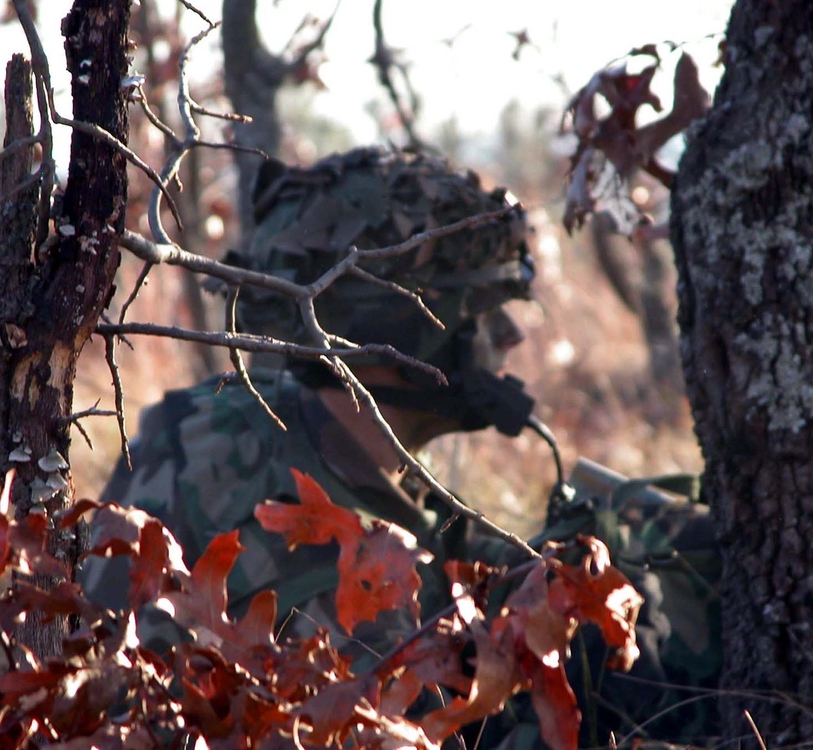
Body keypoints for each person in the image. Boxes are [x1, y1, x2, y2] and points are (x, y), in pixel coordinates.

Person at [84, 146, 720, 747]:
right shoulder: (353, 604)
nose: (510, 337)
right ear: (398, 331)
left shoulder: (219, 416)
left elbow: (445, 541)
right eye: (484, 309)